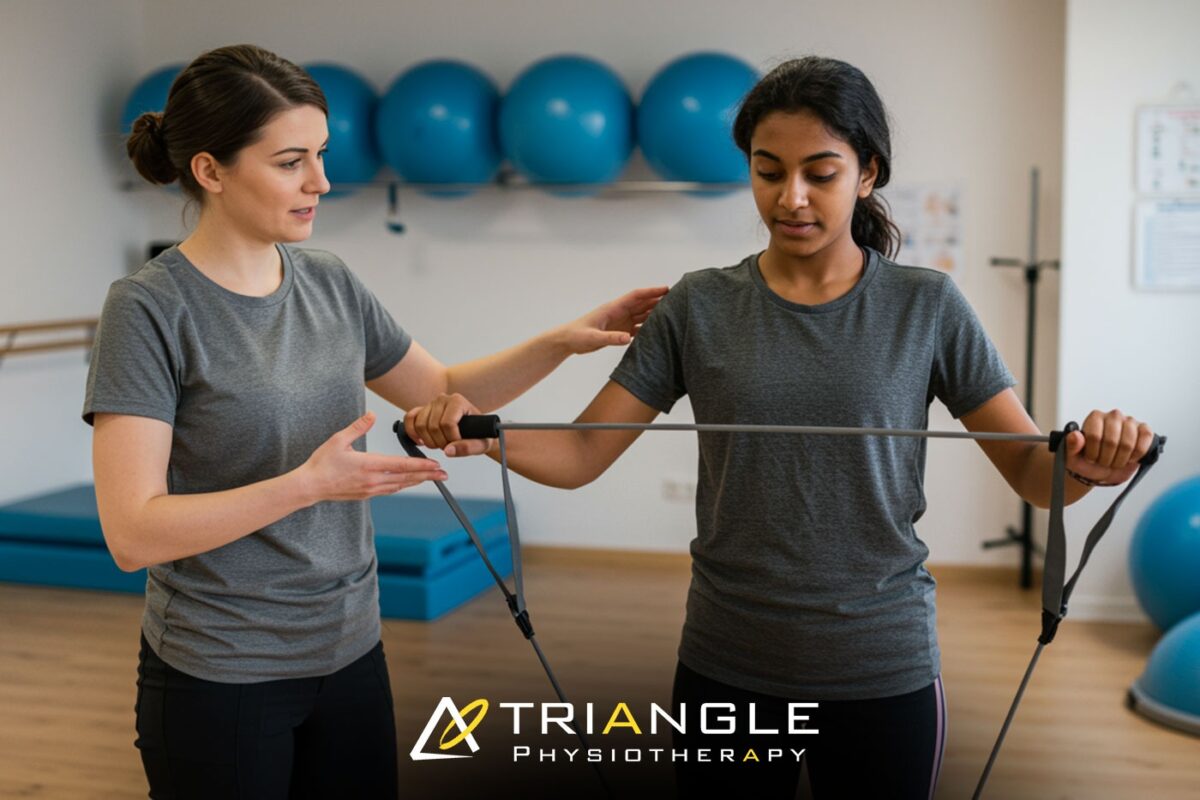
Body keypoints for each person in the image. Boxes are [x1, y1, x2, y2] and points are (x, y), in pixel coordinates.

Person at [404, 56, 1156, 799]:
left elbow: (1032, 473)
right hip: (728, 656)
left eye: (820, 173)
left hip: (880, 662)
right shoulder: (697, 306)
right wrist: (484, 434)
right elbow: (581, 451)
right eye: (769, 171)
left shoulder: (927, 306)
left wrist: (1092, 466)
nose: (791, 197)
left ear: (867, 173)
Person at [84, 43, 666, 799]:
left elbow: (445, 388)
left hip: (351, 650)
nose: (321, 182)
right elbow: (133, 533)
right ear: (210, 170)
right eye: (291, 161)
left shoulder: (327, 280)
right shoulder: (150, 309)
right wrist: (306, 487)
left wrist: (561, 339)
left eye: (321, 155)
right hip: (221, 670)